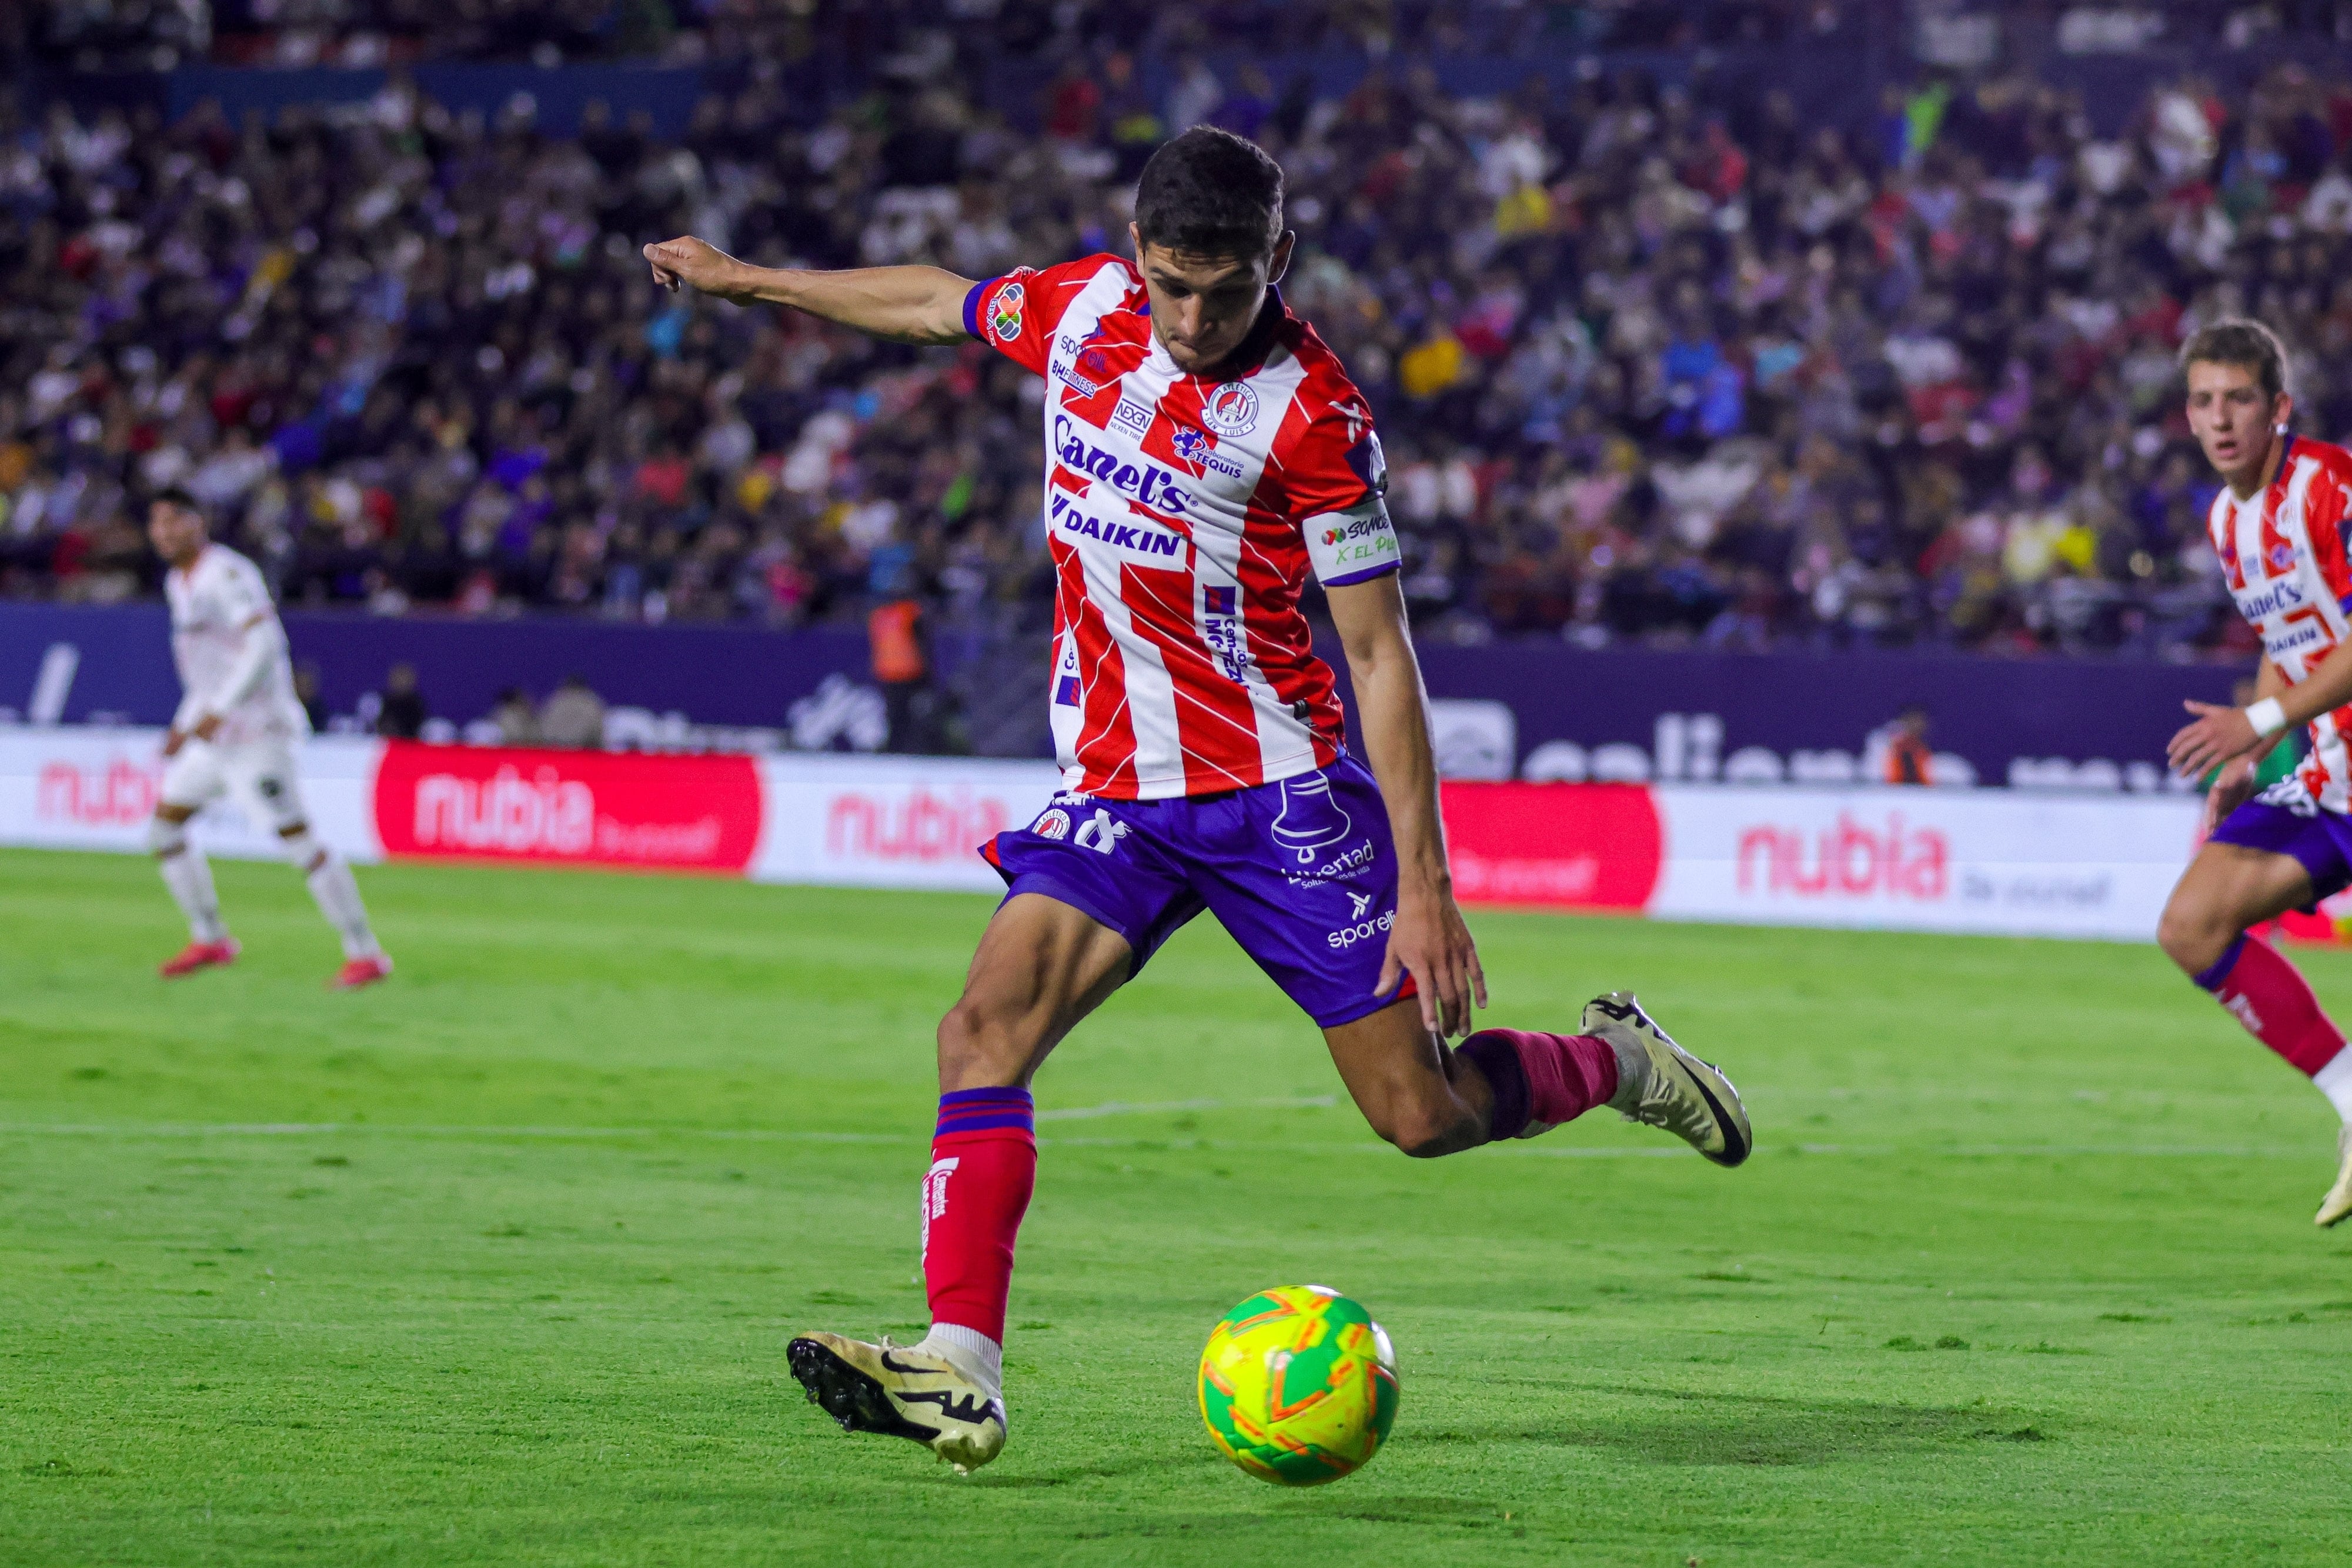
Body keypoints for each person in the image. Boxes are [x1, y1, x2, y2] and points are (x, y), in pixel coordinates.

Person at [646, 126, 1752, 1476]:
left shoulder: (1314, 413)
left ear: (1274, 262)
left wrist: (1428, 887)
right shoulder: (1082, 311)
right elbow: (934, 301)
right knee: (980, 1029)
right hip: (1117, 790)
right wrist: (743, 278)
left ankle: (1619, 1061)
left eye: (1221, 293)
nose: (1188, 319)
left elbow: (1377, 651)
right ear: (1137, 255)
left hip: (1280, 798)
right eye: (1170, 285)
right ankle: (961, 1367)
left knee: (1420, 1115)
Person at [2157, 318, 2352, 1229]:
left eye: (2239, 398)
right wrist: (2250, 752)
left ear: (2279, 408)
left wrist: (2261, 718)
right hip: (2333, 775)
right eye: (2204, 400)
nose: (2221, 418)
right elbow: (2292, 642)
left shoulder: (2329, 489)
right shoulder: (2226, 521)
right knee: (2192, 926)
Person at [143, 488, 392, 989]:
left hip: (258, 733)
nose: (165, 533)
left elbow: (263, 647)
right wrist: (187, 721)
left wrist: (216, 710)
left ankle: (365, 952)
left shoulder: (227, 573)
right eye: (157, 524)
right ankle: (211, 936)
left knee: (297, 839)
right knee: (163, 831)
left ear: (199, 522)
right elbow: (209, 671)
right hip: (216, 736)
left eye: (175, 521)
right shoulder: (179, 581)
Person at [537, 673, 606, 748]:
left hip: (554, 751)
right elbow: (597, 734)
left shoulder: (554, 702)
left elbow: (541, 731)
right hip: (581, 753)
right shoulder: (592, 704)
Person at [373, 663, 427, 740]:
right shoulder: (384, 701)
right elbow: (379, 726)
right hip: (386, 743)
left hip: (408, 745)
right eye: (398, 678)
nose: (401, 682)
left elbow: (417, 729)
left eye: (404, 679)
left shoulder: (416, 704)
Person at [1883, 706, 1933, 785]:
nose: (1917, 724)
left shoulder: (1920, 749)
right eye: (1912, 720)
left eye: (1919, 721)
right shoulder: (1885, 744)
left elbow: (1926, 780)